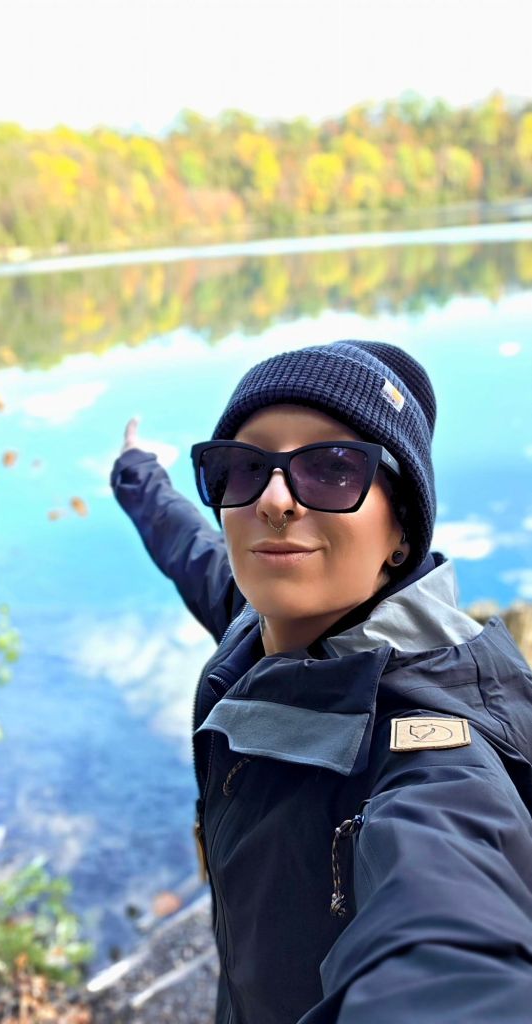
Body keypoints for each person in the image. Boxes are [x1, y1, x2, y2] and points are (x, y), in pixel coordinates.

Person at [110, 339, 532, 1023]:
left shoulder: (435, 756)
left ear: (401, 529)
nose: (273, 500)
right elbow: (189, 548)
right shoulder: (261, 627)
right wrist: (134, 474)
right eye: (243, 468)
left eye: (332, 469)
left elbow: (446, 930)